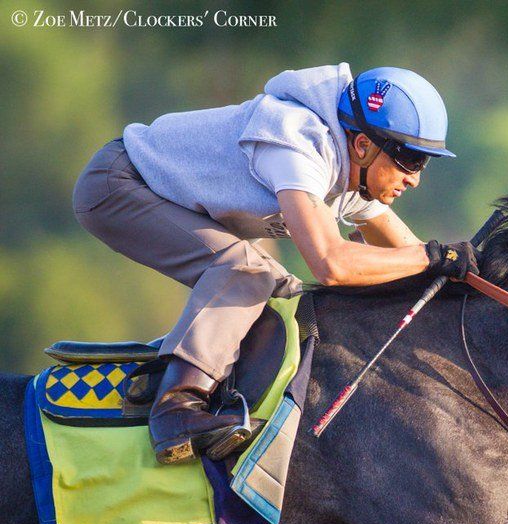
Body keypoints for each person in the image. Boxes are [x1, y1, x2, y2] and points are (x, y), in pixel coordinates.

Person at [71, 64, 479, 464]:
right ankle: (175, 409)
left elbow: (414, 254)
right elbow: (332, 264)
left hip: (152, 191)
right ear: (362, 146)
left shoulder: (354, 171)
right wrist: (432, 257)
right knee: (249, 271)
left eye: (423, 163)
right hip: (116, 185)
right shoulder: (299, 142)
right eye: (410, 159)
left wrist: (469, 274)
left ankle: (197, 379)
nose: (415, 178)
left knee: (287, 294)